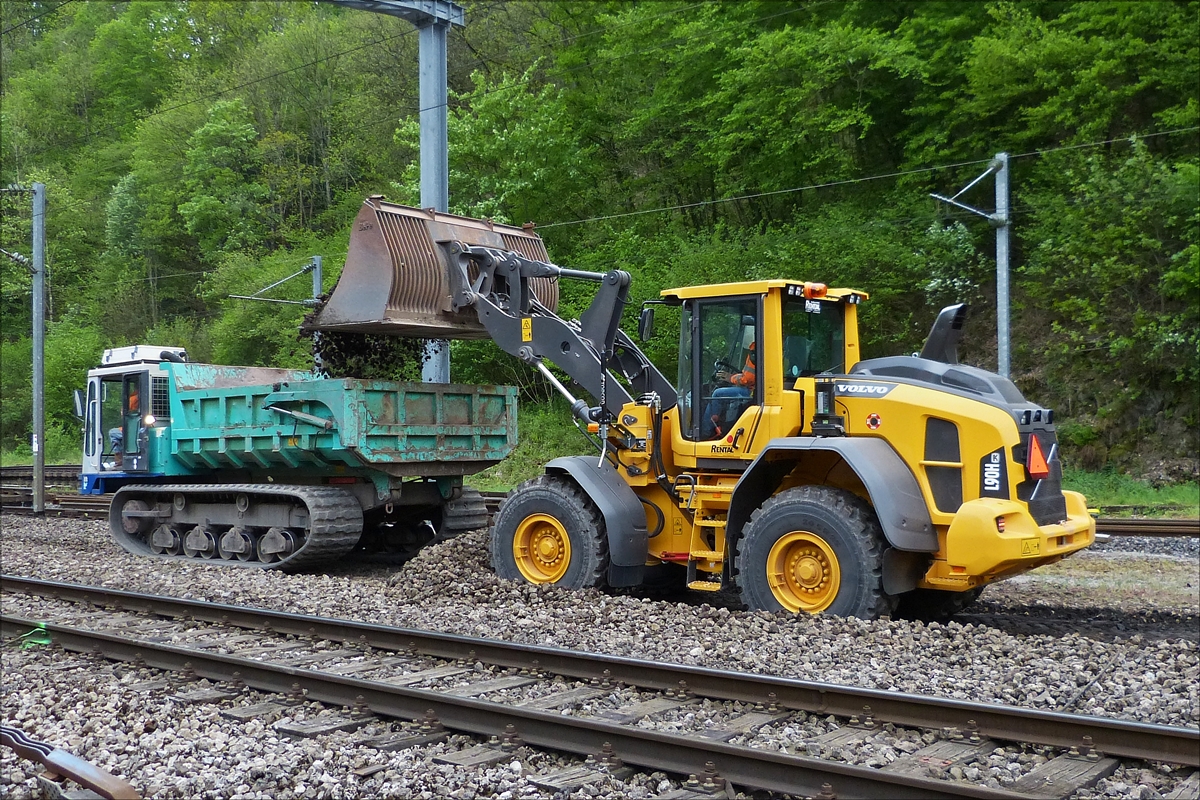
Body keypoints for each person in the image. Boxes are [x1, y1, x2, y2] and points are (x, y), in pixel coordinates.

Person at [701, 342, 755, 439]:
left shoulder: (755, 350)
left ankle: (705, 433)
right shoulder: (758, 348)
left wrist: (730, 378)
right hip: (751, 388)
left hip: (751, 391)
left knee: (717, 394)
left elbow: (747, 379)